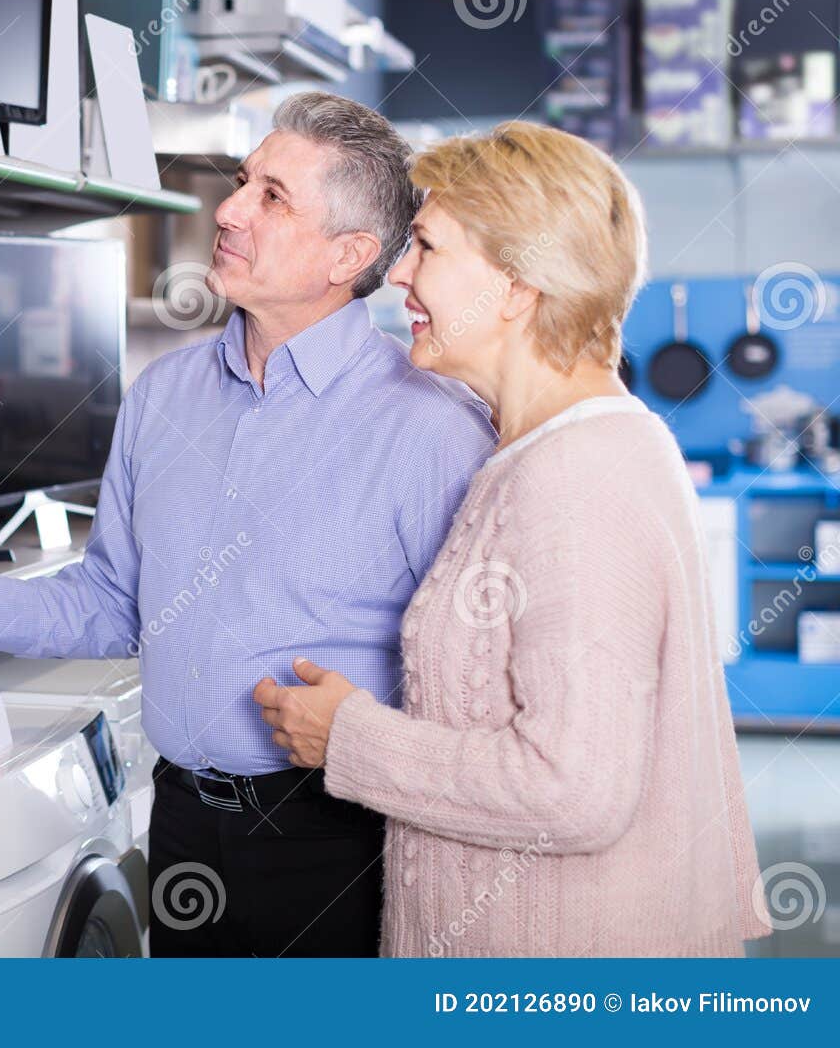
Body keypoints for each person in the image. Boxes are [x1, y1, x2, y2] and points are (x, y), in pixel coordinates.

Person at [0, 92, 496, 957]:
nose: (226, 210)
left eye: (272, 197)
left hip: (342, 839)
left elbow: (480, 698)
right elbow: (115, 603)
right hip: (183, 821)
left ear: (352, 254)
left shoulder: (435, 429)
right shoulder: (163, 396)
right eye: (241, 182)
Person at [254, 121, 769, 956]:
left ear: (520, 283)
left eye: (426, 246)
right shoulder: (548, 449)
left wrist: (347, 734)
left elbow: (575, 790)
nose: (400, 274)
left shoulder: (576, 480)